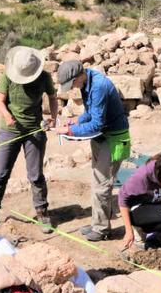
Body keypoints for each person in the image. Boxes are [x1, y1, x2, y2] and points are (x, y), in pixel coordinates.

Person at [0, 46, 59, 234]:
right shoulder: (8, 76)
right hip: (10, 130)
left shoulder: (44, 77)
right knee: (1, 173)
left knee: (35, 175)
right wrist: (7, 115)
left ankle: (42, 212)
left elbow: (53, 98)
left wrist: (53, 118)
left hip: (35, 130)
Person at [54, 61, 130, 242]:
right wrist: (77, 121)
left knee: (102, 185)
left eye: (72, 84)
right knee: (97, 181)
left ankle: (102, 230)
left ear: (78, 76)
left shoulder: (99, 86)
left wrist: (69, 131)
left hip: (113, 139)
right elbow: (91, 112)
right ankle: (98, 223)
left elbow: (97, 123)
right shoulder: (86, 82)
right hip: (102, 137)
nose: (72, 88)